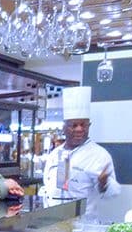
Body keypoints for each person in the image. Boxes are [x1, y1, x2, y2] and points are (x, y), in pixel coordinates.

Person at [42, 86, 120, 217]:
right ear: (64, 127)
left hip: (81, 224)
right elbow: (47, 187)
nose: (79, 129)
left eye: (83, 125)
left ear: (89, 126)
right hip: (51, 221)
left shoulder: (99, 155)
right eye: (74, 125)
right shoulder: (55, 154)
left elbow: (113, 192)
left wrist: (104, 184)